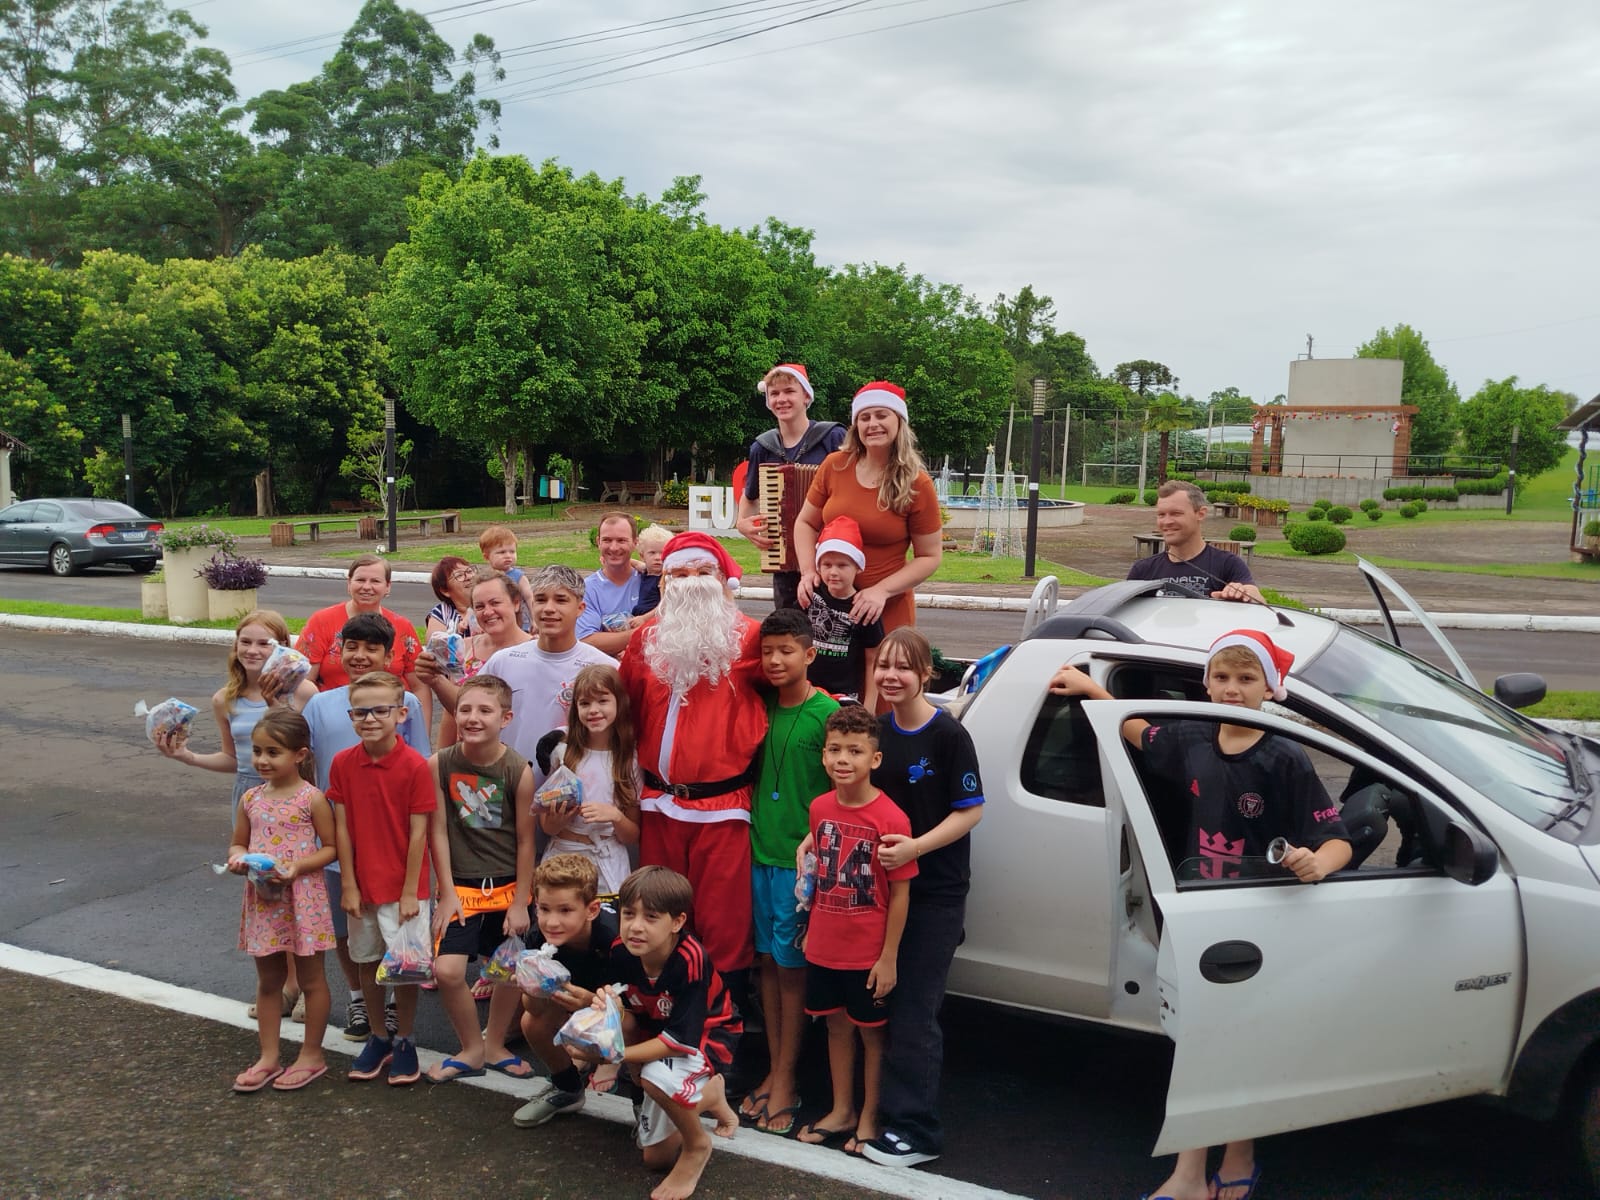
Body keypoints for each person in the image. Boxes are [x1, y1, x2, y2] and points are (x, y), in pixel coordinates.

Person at [1049, 628, 1352, 1200]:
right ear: (1207, 684)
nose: (1232, 689)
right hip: (1199, 916)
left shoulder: (1284, 756)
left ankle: (1231, 1157)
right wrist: (1091, 688)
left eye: (1247, 678)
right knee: (1199, 1042)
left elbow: (1334, 838)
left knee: (1243, 1042)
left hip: (1260, 920)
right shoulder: (1191, 737)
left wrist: (1319, 863)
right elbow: (1139, 732)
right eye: (1222, 677)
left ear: (1270, 688)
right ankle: (1196, 1170)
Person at [850, 626, 985, 1168]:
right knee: (875, 1003)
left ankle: (916, 1131)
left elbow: (971, 810)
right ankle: (877, 1113)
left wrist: (916, 849)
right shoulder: (877, 731)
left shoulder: (948, 734)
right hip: (880, 892)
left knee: (914, 1011)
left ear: (926, 674)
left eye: (904, 667)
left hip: (934, 894)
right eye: (884, 665)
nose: (891, 676)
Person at [618, 532, 767, 993]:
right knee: (658, 914)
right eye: (679, 574)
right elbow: (626, 710)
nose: (691, 582)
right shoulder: (645, 639)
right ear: (664, 583)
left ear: (723, 581)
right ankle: (661, 1006)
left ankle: (725, 1018)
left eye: (703, 572)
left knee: (723, 919)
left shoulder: (750, 638)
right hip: (659, 805)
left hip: (723, 808)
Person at [301, 613, 431, 1041]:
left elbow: (419, 768)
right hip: (342, 847)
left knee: (399, 944)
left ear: (389, 656)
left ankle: (396, 1016)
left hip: (394, 852)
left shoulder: (407, 708)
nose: (360, 656)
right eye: (351, 647)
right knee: (350, 933)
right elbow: (305, 764)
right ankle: (361, 1003)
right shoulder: (321, 705)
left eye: (371, 648)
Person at [797, 705, 915, 1154]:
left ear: (875, 759)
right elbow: (821, 874)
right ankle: (842, 1109)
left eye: (854, 751)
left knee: (871, 1032)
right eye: (834, 750)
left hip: (867, 951)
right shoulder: (820, 808)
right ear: (823, 755)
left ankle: (869, 1115)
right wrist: (811, 928)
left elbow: (900, 893)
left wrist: (888, 957)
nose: (842, 759)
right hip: (824, 944)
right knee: (835, 1027)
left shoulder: (891, 818)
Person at [586, 866, 742, 1200]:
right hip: (657, 1027)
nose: (635, 926)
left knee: (654, 1077)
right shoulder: (621, 950)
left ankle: (697, 1145)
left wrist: (614, 1055)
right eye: (629, 914)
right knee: (655, 1160)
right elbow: (622, 1003)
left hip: (708, 1035)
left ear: (677, 922)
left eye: (651, 917)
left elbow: (680, 1042)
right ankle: (708, 1097)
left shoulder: (690, 958)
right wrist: (603, 1007)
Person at [739, 608, 838, 1135]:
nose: (775, 660)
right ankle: (775, 1071)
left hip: (800, 868)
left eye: (786, 651)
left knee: (792, 972)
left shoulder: (827, 713)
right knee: (766, 968)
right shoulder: (758, 705)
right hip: (757, 854)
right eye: (767, 651)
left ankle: (786, 1079)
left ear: (809, 654)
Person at [425, 675, 538, 1083]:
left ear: (505, 718)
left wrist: (521, 901)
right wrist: (446, 892)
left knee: (508, 970)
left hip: (507, 886)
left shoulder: (518, 769)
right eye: (465, 709)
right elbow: (438, 831)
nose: (473, 718)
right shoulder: (439, 764)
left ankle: (495, 1043)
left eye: (484, 710)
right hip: (461, 888)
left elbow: (526, 841)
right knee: (448, 972)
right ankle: (471, 1048)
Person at [330, 670, 436, 1087]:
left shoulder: (415, 766)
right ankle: (378, 1036)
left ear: (401, 714)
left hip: (405, 890)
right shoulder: (342, 763)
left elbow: (419, 833)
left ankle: (405, 1038)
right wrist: (349, 884)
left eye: (380, 710)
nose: (370, 718)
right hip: (362, 886)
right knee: (367, 962)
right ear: (351, 716)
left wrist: (410, 892)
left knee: (406, 970)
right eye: (360, 712)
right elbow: (341, 829)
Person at [224, 709, 337, 1093]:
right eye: (257, 751)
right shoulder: (251, 798)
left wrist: (297, 867)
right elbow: (238, 842)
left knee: (311, 979)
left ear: (299, 755)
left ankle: (312, 1054)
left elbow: (331, 848)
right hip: (264, 899)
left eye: (273, 752)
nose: (262, 760)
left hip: (303, 898)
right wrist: (238, 859)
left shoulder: (312, 798)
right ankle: (268, 1057)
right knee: (269, 980)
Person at [426, 565, 614, 778]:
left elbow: (619, 736)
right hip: (506, 788)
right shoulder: (503, 661)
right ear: (532, 605)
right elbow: (465, 707)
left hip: (573, 791)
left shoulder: (603, 667)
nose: (549, 608)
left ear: (580, 608)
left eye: (560, 600)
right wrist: (436, 679)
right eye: (541, 600)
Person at [792, 381, 943, 639]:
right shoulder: (835, 465)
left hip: (884, 611)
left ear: (899, 421)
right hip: (830, 609)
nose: (873, 424)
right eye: (864, 418)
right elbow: (805, 523)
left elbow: (929, 556)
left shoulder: (917, 483)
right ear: (856, 426)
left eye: (881, 415)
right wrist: (808, 572)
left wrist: (881, 591)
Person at [154, 608, 317, 819]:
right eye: (245, 642)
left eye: (264, 643)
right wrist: (188, 757)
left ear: (283, 646)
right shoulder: (224, 699)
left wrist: (278, 709)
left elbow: (313, 754)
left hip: (294, 792)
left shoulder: (304, 692)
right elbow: (232, 758)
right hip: (248, 792)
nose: (252, 650)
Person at [511, 854, 620, 1128]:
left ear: (592, 910)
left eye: (565, 910)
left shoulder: (615, 938)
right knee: (532, 1022)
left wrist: (591, 1003)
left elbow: (636, 1006)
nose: (551, 922)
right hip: (584, 995)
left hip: (628, 1005)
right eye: (544, 909)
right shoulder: (538, 938)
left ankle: (644, 1100)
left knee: (623, 1024)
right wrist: (532, 987)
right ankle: (567, 1087)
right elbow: (534, 1009)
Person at [734, 363, 846, 610]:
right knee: (789, 627)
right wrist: (742, 523)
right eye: (774, 393)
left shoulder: (832, 437)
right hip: (784, 560)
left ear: (806, 396)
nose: (781, 399)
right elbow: (750, 496)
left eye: (789, 391)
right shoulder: (763, 447)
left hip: (832, 556)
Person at [537, 663, 640, 894]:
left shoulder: (629, 760)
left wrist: (615, 816)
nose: (593, 710)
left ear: (619, 703)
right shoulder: (562, 754)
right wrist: (558, 819)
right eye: (584, 703)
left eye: (602, 701)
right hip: (563, 858)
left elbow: (633, 835)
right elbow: (547, 826)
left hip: (608, 861)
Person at [422, 571, 536, 750]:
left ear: (516, 603)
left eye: (495, 603)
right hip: (468, 755)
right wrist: (441, 758)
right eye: (480, 606)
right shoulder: (463, 649)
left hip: (519, 756)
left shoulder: (537, 652)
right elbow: (451, 714)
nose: (488, 612)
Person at [299, 554, 424, 696]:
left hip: (391, 708)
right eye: (360, 580)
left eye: (375, 581)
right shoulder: (321, 622)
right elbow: (303, 681)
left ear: (388, 586)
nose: (366, 587)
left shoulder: (403, 627)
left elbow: (419, 686)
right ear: (349, 583)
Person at [1128, 480, 1263, 604]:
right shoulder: (1143, 570)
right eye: (1161, 515)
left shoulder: (1228, 564)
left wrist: (1244, 593)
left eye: (1176, 513)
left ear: (1201, 514)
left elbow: (1256, 599)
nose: (1167, 522)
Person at [805, 515, 883, 707]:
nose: (833, 572)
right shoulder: (809, 594)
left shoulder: (864, 607)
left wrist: (870, 705)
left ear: (858, 567)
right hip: (807, 692)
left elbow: (873, 658)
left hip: (844, 698)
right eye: (827, 565)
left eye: (842, 565)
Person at [577, 512, 643, 656]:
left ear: (635, 543)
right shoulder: (587, 589)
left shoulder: (650, 581)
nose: (613, 548)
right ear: (598, 542)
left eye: (621, 540)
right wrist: (645, 631)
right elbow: (587, 641)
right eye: (607, 540)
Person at [478, 525, 535, 631]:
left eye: (512, 551)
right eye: (502, 552)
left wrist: (534, 619)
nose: (508, 556)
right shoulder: (485, 579)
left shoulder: (519, 576)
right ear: (486, 556)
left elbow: (529, 597)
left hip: (520, 625)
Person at [629, 523, 672, 623]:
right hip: (639, 615)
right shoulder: (646, 570)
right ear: (642, 556)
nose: (658, 557)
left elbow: (664, 605)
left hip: (653, 619)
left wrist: (644, 618)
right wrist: (613, 561)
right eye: (652, 553)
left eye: (663, 553)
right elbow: (636, 564)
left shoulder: (664, 578)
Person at [425, 557, 476, 639]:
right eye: (459, 575)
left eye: (469, 571)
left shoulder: (491, 602)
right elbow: (436, 645)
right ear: (445, 591)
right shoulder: (441, 614)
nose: (469, 577)